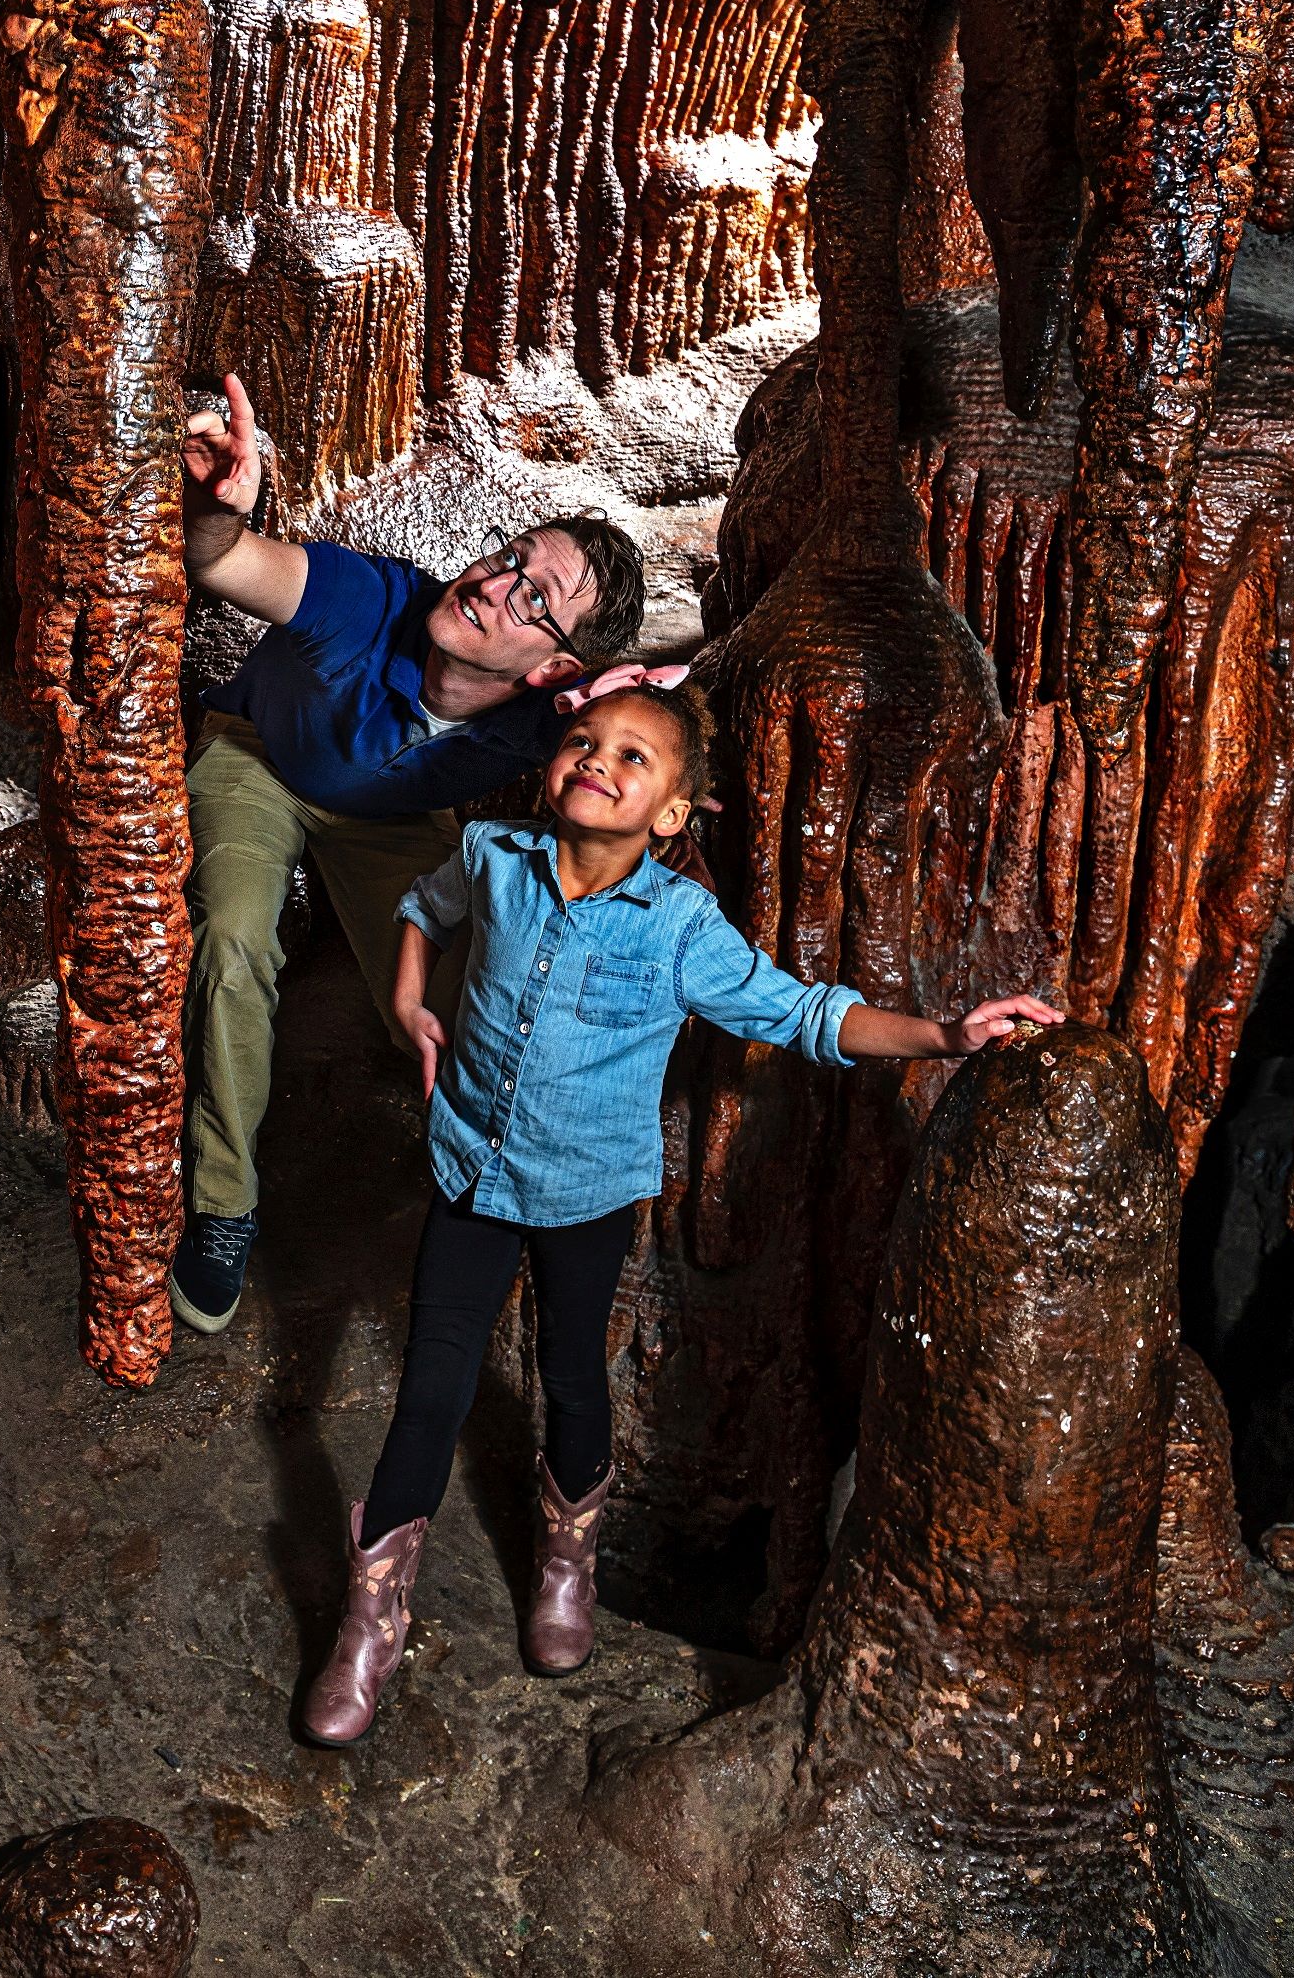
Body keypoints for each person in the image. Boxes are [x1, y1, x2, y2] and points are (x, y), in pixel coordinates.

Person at [294, 679, 1060, 1746]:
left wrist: (944, 1036)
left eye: (633, 756)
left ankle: (566, 1558)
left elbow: (802, 1013)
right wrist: (410, 1000)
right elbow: (425, 906)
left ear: (669, 815)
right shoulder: (491, 854)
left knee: (571, 1374)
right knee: (431, 1388)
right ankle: (370, 1621)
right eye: (583, 739)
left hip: (587, 1191)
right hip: (472, 1168)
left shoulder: (681, 927)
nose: (597, 759)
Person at [173, 372, 668, 1335]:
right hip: (261, 760)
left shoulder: (555, 719)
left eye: (532, 596)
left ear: (555, 666)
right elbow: (228, 562)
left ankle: (504, 1195)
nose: (490, 582)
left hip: (392, 816)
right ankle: (224, 1201)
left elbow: (663, 746)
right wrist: (217, 510)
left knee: (472, 992)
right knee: (233, 943)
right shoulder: (366, 598)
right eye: (509, 557)